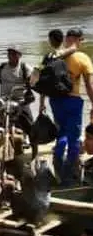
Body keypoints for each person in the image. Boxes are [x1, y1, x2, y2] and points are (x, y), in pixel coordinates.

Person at [46, 29, 93, 184]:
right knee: (73, 138)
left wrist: (41, 104)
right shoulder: (82, 58)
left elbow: (44, 81)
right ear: (79, 40)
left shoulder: (53, 56)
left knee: (61, 134)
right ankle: (68, 176)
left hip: (55, 101)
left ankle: (58, 164)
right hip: (73, 101)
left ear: (66, 39)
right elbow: (89, 86)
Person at [0, 45, 33, 135]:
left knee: (30, 123)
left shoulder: (25, 67)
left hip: (20, 100)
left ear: (19, 55)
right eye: (9, 53)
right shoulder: (1, 67)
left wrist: (32, 85)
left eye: (14, 54)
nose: (11, 56)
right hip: (4, 100)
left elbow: (33, 82)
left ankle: (33, 143)